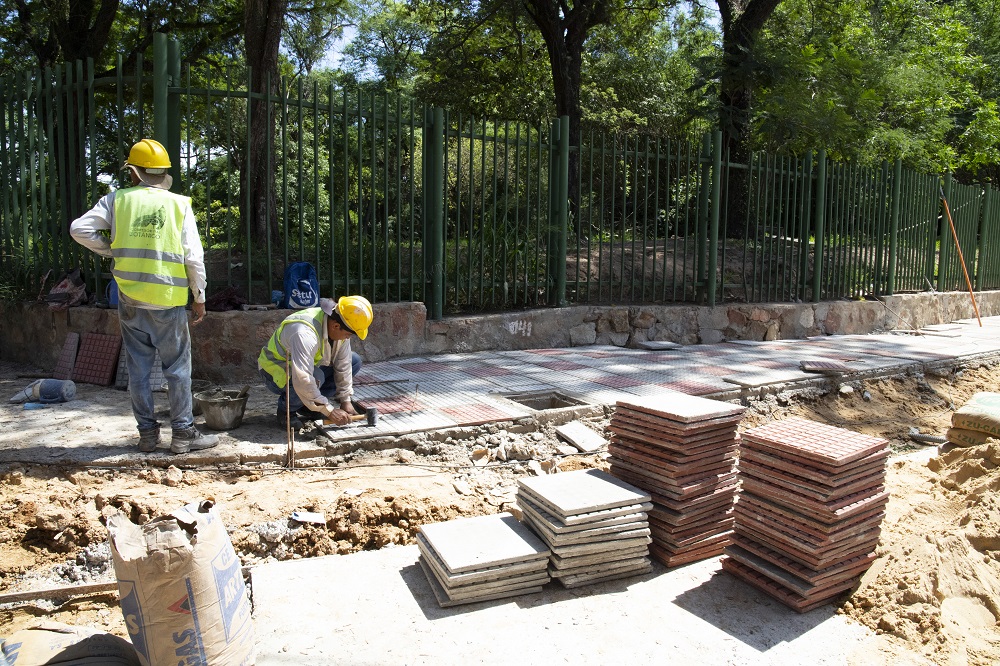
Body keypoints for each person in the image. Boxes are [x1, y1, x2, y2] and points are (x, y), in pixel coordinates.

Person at [70, 138, 219, 455]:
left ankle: (148, 436)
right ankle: (182, 434)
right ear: (162, 173)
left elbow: (79, 229)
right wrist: (199, 296)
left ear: (134, 172)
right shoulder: (178, 204)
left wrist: (110, 249)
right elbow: (194, 257)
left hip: (130, 300)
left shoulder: (117, 201)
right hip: (167, 300)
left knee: (137, 371)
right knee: (177, 370)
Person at [258, 295, 373, 429]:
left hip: (302, 367)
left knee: (354, 361)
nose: (348, 338)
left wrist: (345, 400)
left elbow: (344, 365)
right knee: (316, 376)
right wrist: (329, 410)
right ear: (336, 326)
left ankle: (310, 407)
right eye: (349, 335)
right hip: (273, 370)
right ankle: (286, 411)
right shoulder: (304, 333)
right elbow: (303, 378)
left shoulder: (339, 323)